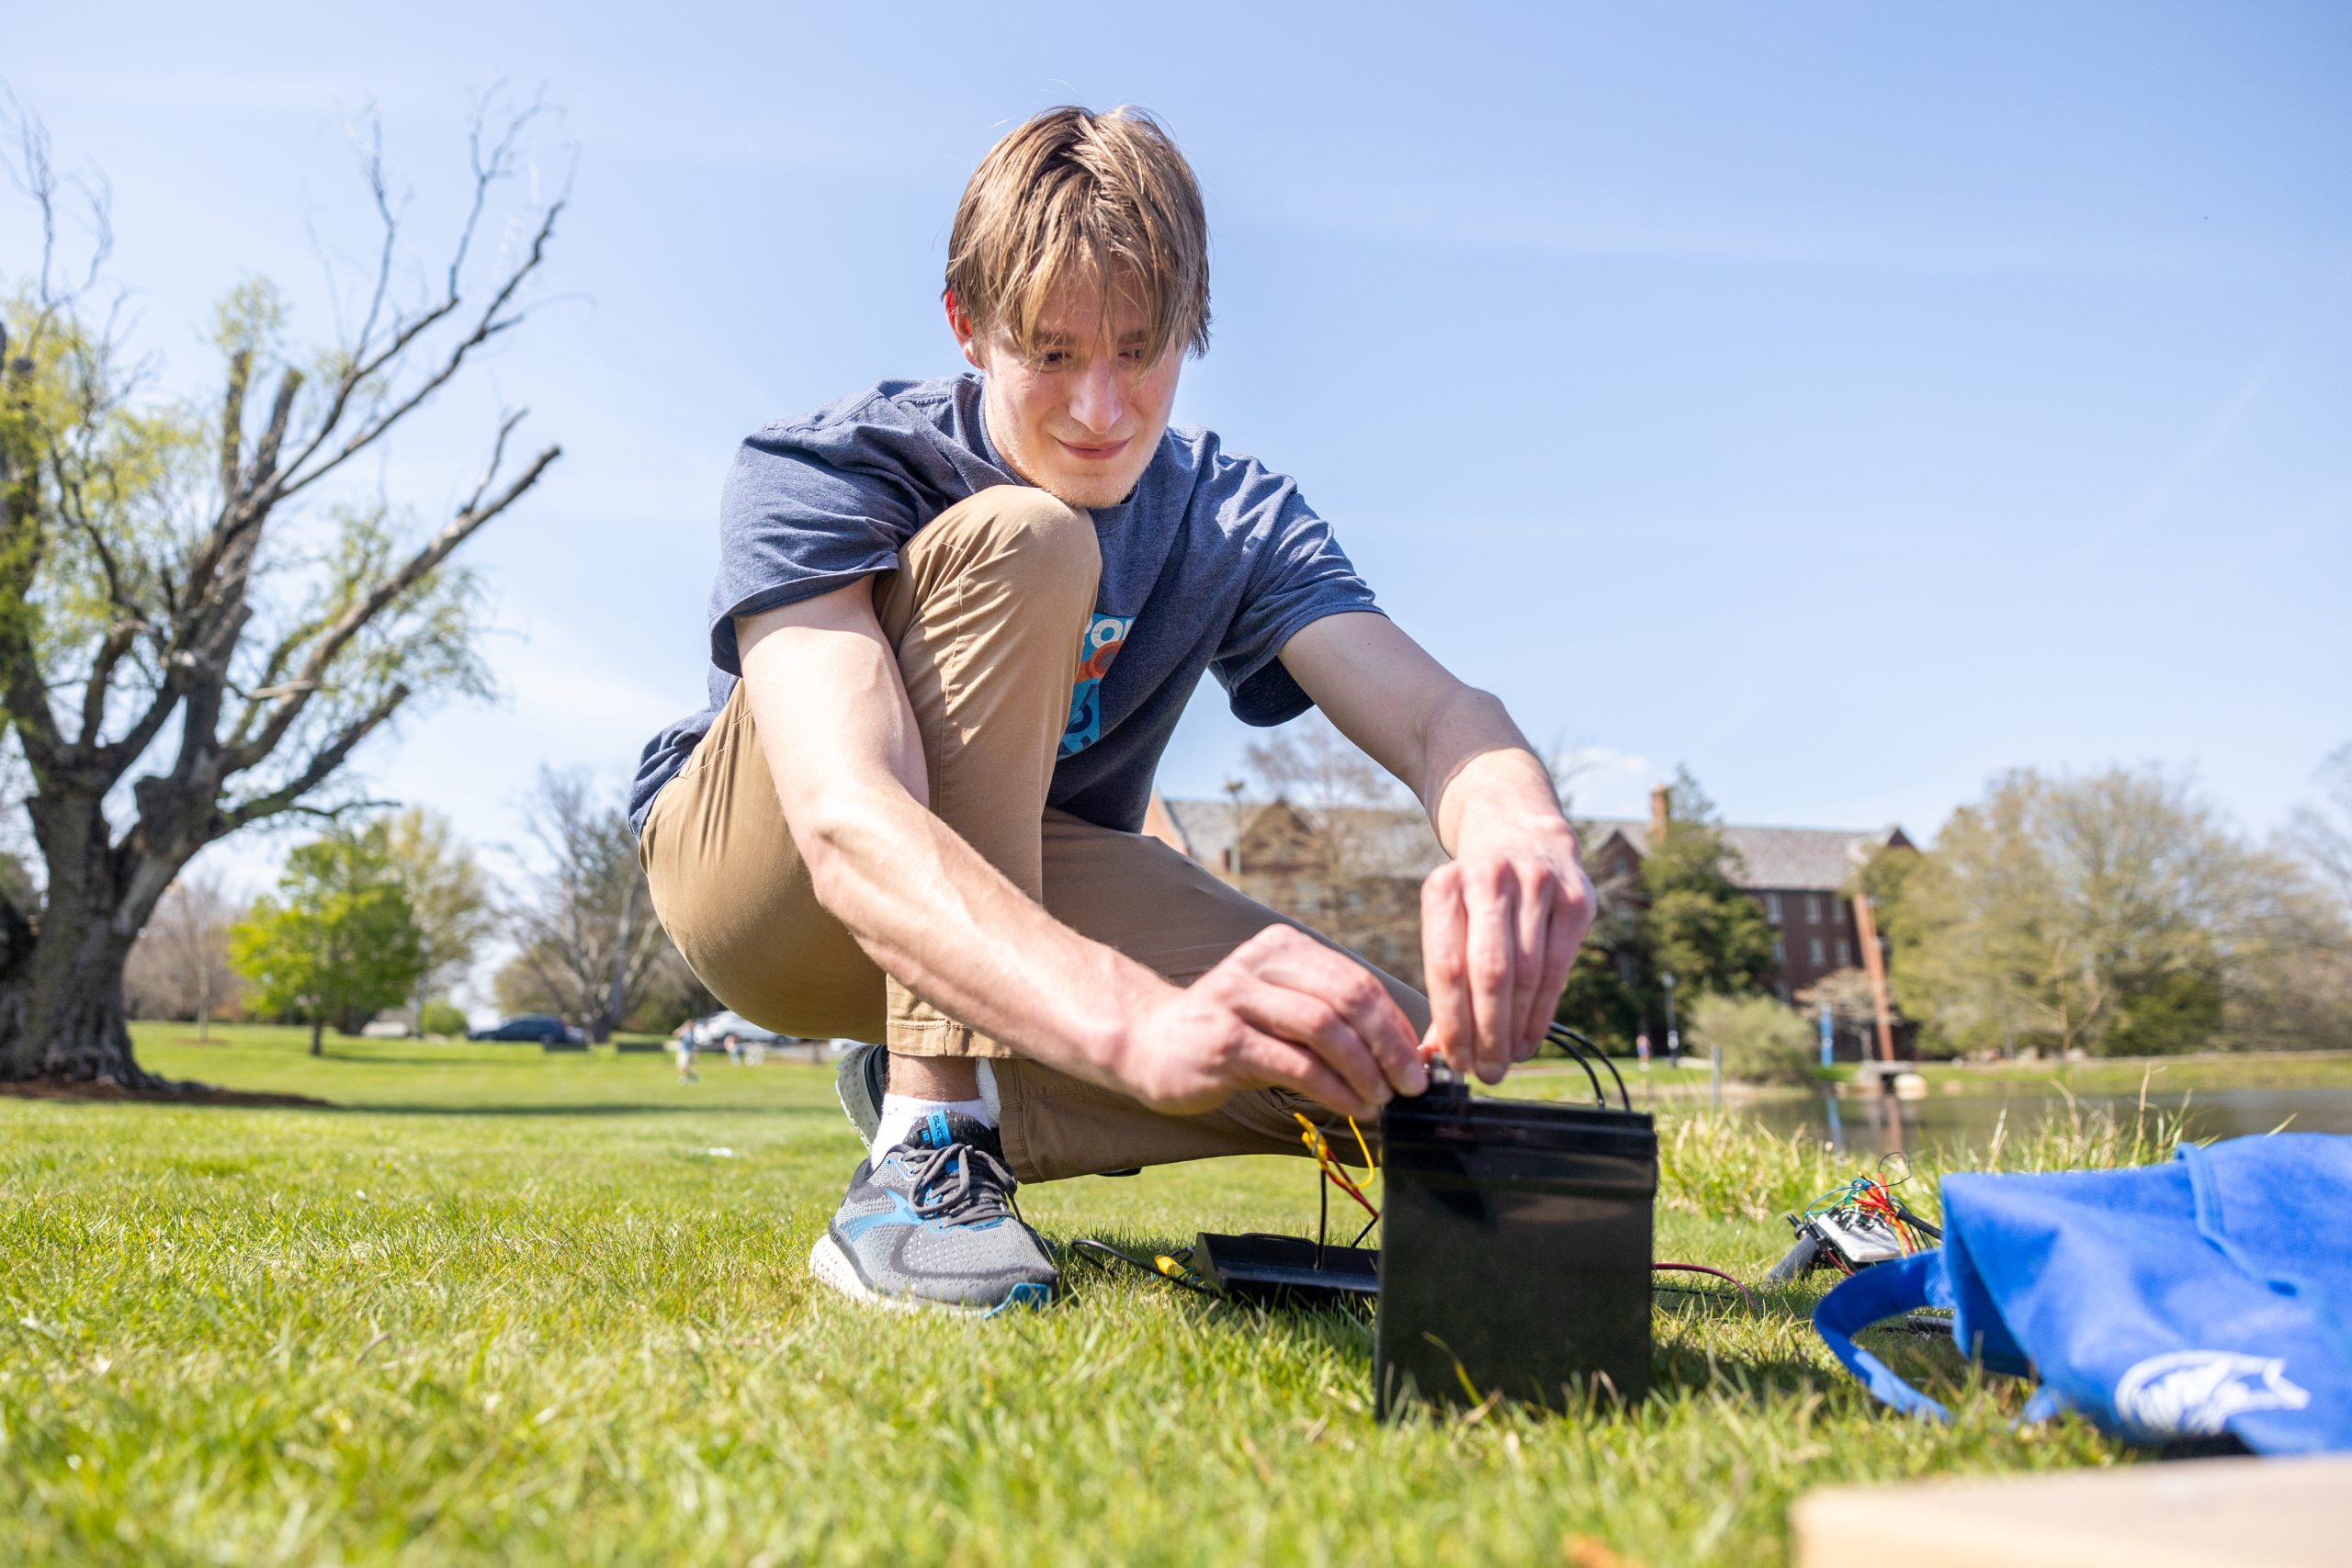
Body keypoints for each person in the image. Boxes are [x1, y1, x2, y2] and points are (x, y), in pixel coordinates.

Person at [631, 106, 1593, 1315]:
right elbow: (844, 816)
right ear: (968, 328)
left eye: (1141, 352)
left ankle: (967, 1089)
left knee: (1381, 1068)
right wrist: (1133, 1025)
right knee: (1030, 541)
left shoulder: (1229, 514)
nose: (1101, 409)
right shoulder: (828, 467)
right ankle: (930, 1148)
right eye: (1051, 352)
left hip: (1029, 879)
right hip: (764, 890)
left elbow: (1438, 715)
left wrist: (1517, 829)